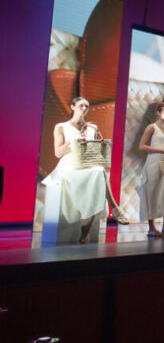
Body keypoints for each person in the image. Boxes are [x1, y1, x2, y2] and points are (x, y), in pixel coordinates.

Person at [42, 96, 128, 243]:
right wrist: (72, 143)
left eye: (86, 107)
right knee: (98, 173)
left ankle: (87, 228)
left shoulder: (92, 127)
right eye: (81, 106)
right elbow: (58, 153)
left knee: (99, 172)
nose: (84, 109)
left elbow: (93, 151)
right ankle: (115, 209)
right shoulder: (61, 126)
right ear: (72, 107)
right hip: (69, 163)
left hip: (87, 163)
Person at [138, 103, 164, 238]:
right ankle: (151, 228)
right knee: (153, 193)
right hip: (155, 163)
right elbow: (142, 146)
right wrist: (162, 150)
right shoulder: (152, 128)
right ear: (158, 112)